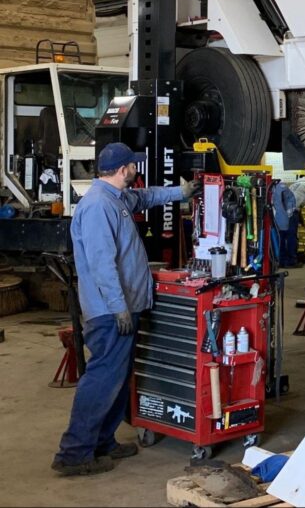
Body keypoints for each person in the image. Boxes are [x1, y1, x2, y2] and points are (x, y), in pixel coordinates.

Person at [52, 142, 200, 477]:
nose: (137, 167)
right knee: (102, 379)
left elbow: (147, 197)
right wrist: (119, 308)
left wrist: (182, 191)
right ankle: (74, 453)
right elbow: (103, 264)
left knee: (117, 379)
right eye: (134, 164)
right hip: (109, 312)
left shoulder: (116, 197)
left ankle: (103, 442)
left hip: (124, 307)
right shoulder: (98, 206)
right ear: (123, 170)